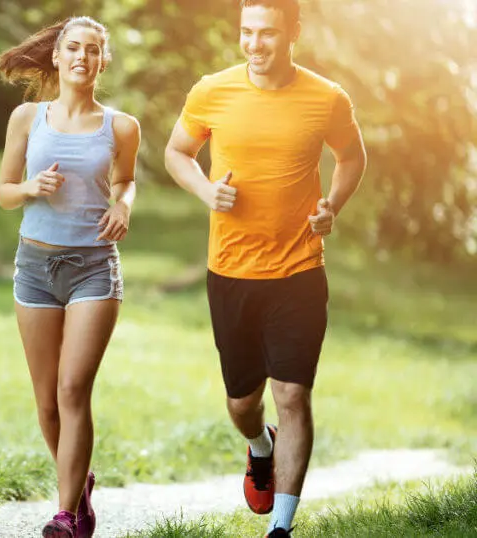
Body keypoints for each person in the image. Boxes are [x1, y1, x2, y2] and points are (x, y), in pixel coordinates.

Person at [163, 1, 367, 536]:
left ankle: (281, 526)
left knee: (293, 394)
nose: (255, 44)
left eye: (267, 34)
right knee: (241, 403)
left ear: (293, 33)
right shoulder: (212, 90)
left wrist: (332, 207)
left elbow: (352, 157)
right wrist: (208, 191)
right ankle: (260, 446)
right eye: (247, 32)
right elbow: (177, 153)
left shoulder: (327, 98)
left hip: (299, 269)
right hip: (231, 270)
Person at [0, 15, 141, 538]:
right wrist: (32, 187)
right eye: (73, 48)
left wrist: (123, 206)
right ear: (57, 57)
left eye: (93, 50)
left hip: (93, 268)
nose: (82, 56)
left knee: (72, 389)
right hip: (34, 267)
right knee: (46, 400)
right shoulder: (26, 117)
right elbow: (4, 191)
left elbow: (124, 181)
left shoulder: (120, 126)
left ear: (103, 61)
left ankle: (62, 516)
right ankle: (78, 491)